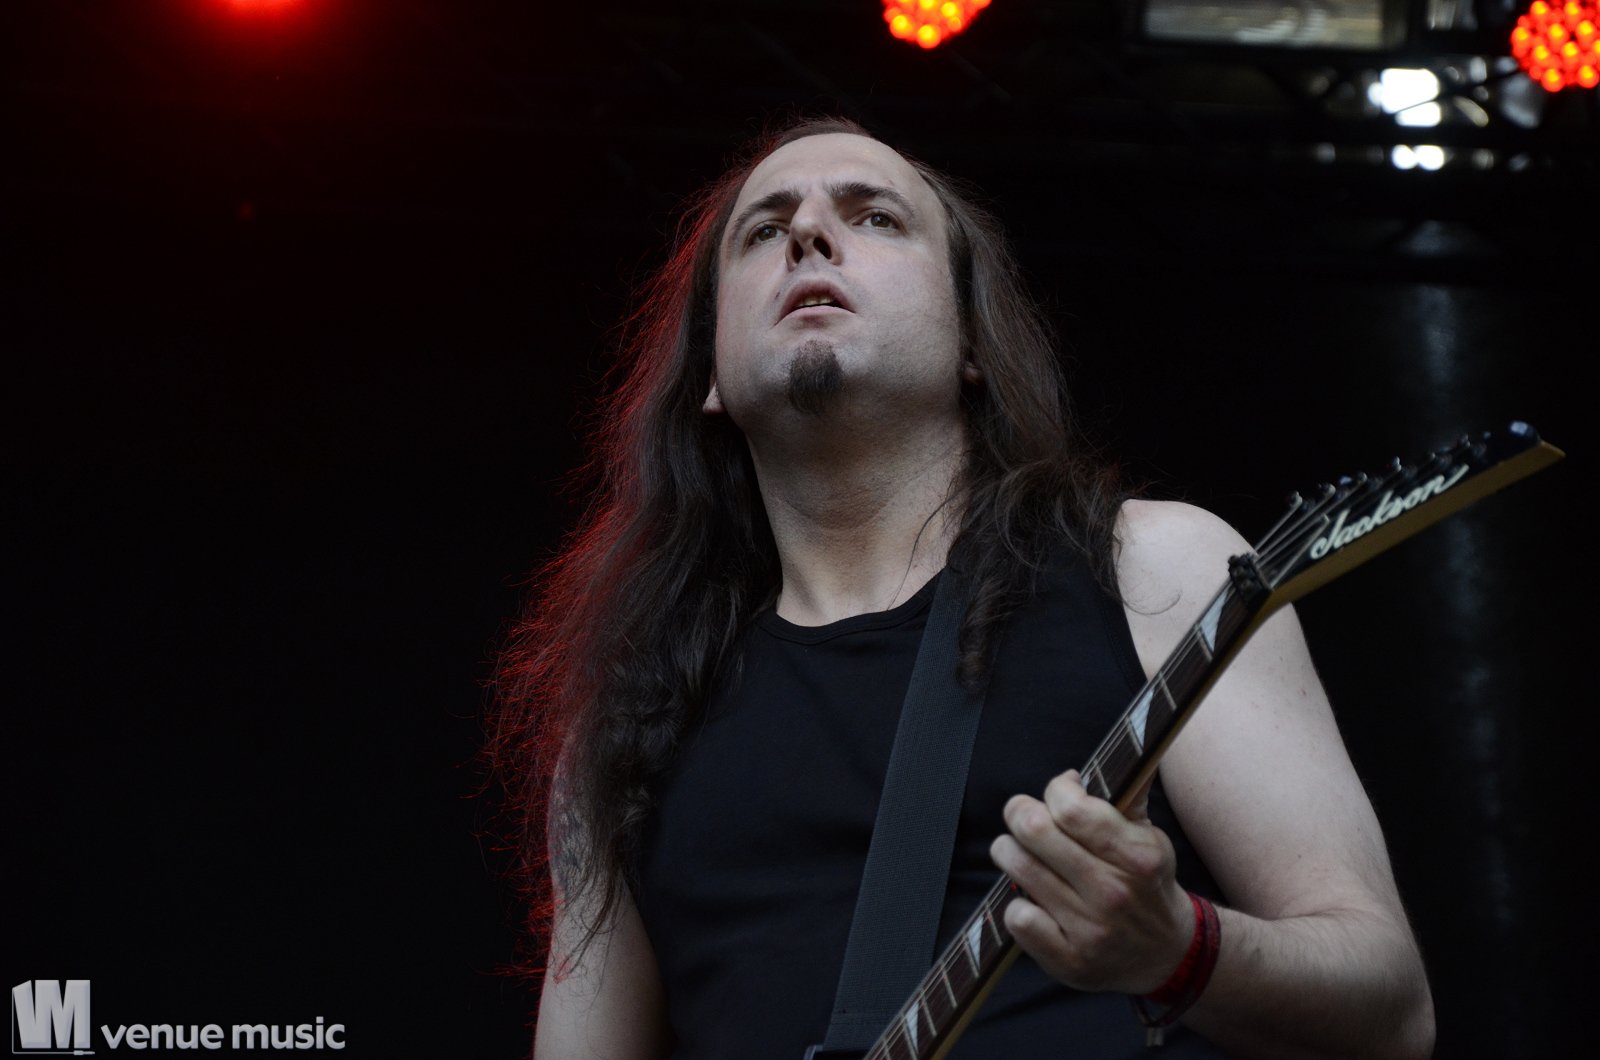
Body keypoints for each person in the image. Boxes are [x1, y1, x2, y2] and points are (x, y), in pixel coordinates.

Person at [488, 117, 1435, 1059]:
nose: (809, 232)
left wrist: (1178, 949)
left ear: (971, 341)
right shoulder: (628, 717)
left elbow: (1391, 1014)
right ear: (710, 375)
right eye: (764, 231)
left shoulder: (1155, 569)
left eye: (875, 217)